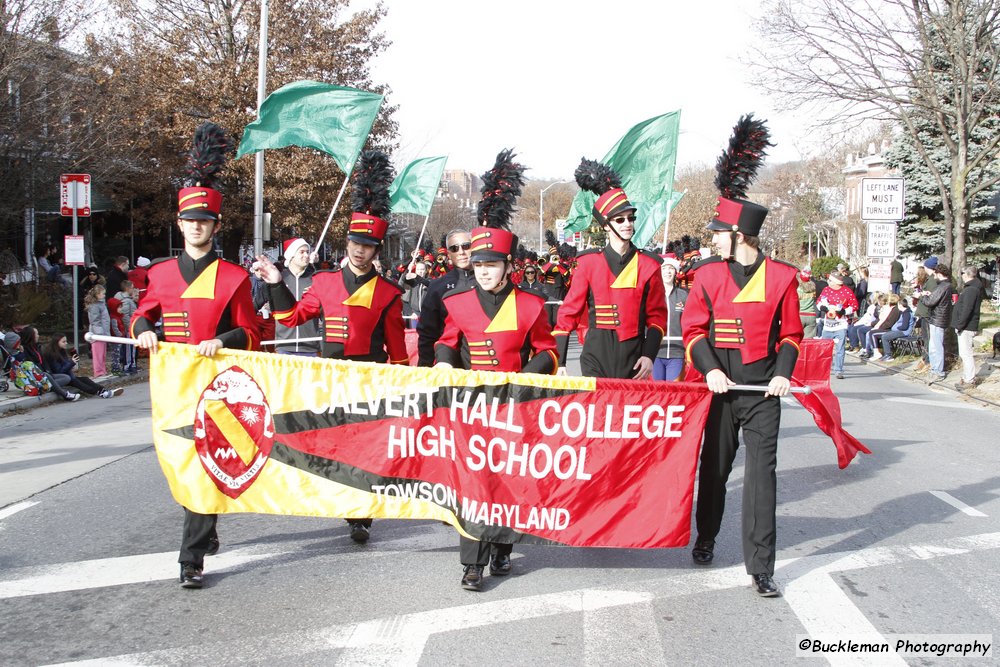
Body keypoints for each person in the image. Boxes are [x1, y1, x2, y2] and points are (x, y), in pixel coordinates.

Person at [132, 122, 261, 590]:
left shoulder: (234, 277)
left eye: (204, 221)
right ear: (180, 224)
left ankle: (191, 558)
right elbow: (142, 317)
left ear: (216, 226)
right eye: (189, 220)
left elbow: (253, 331)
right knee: (181, 463)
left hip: (219, 386)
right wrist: (145, 332)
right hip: (172, 385)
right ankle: (204, 529)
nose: (196, 227)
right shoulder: (162, 274)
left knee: (205, 463)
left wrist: (222, 341)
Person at [256, 150, 407, 546]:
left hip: (370, 378)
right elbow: (289, 318)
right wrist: (275, 280)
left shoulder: (390, 293)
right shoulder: (322, 283)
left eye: (369, 245)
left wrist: (404, 384)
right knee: (333, 444)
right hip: (330, 377)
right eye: (355, 242)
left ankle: (360, 516)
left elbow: (397, 348)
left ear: (378, 249)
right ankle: (337, 498)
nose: (360, 250)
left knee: (364, 449)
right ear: (347, 242)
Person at [682, 114, 801, 598]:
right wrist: (709, 371)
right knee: (714, 468)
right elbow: (692, 331)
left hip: (762, 390)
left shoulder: (783, 277)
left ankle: (761, 566)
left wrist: (782, 376)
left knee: (762, 480)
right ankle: (706, 535)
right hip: (720, 387)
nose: (711, 239)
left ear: (741, 235)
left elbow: (791, 335)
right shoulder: (707, 276)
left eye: (717, 233)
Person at [433, 149, 557, 592]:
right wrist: (448, 370)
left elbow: (548, 351)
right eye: (479, 265)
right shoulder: (457, 302)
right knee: (472, 483)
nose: (484, 272)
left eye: (492, 265)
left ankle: (503, 547)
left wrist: (524, 376)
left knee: (507, 480)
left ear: (508, 267)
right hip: (470, 405)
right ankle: (472, 563)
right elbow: (445, 344)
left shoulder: (530, 305)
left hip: (514, 405)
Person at [553, 158, 667, 379]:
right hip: (595, 354)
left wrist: (649, 356)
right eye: (620, 219)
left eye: (630, 218)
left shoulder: (649, 265)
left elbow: (657, 317)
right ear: (606, 225)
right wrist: (561, 361)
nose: (627, 223)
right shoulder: (587, 263)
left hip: (635, 359)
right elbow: (568, 314)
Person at [416, 229, 474, 366]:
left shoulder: (487, 281)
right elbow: (427, 332)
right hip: (447, 362)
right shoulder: (437, 286)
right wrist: (425, 367)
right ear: (448, 254)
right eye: (454, 248)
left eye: (466, 246)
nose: (461, 252)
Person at [270, 238, 321, 356]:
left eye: (307, 252)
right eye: (302, 252)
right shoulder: (278, 279)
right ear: (291, 255)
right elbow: (255, 303)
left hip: (311, 348)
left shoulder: (316, 279)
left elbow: (326, 312)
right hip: (283, 347)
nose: (306, 255)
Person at [8, 329, 80, 401]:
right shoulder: (21, 351)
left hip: (43, 374)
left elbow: (44, 361)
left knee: (66, 377)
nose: (38, 336)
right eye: (36, 334)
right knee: (48, 376)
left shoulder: (37, 347)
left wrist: (48, 371)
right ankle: (65, 394)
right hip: (33, 376)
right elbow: (28, 365)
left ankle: (48, 387)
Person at [42, 333, 123, 398]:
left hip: (69, 375)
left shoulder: (61, 351)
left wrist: (71, 365)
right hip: (62, 377)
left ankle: (103, 390)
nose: (66, 343)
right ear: (56, 343)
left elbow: (64, 365)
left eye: (66, 341)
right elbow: (59, 370)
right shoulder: (51, 354)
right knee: (79, 383)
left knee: (85, 379)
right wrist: (71, 362)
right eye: (63, 342)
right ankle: (99, 392)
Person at [818, 270, 858, 379]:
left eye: (830, 280)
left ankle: (838, 370)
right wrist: (822, 307)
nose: (828, 282)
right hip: (827, 325)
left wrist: (845, 311)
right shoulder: (826, 290)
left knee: (840, 349)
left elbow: (854, 305)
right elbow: (819, 301)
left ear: (836, 282)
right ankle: (822, 370)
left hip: (840, 325)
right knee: (824, 349)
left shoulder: (847, 292)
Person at [654, 256, 687, 381]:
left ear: (675, 272)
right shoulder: (652, 295)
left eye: (671, 269)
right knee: (656, 392)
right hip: (656, 353)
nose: (668, 272)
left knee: (673, 392)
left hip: (676, 353)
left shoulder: (683, 296)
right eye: (664, 268)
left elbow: (688, 323)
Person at [920, 263, 954, 382]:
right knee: (934, 345)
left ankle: (938, 371)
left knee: (936, 346)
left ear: (939, 274)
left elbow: (930, 302)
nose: (934, 277)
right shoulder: (946, 286)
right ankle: (935, 369)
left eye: (935, 274)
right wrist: (930, 294)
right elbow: (936, 298)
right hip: (939, 318)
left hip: (938, 319)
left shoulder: (943, 286)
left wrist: (923, 296)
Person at [952, 266, 983, 389]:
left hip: (967, 326)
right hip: (966, 325)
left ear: (967, 274)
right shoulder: (972, 288)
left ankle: (969, 379)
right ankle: (966, 377)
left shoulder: (971, 290)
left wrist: (960, 325)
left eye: (962, 273)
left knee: (966, 354)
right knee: (965, 353)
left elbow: (967, 309)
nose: (961, 275)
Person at [913, 257, 940, 372]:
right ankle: (925, 358)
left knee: (928, 338)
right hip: (924, 312)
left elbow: (933, 296)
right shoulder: (930, 279)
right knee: (924, 337)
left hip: (928, 313)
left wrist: (922, 295)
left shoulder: (933, 280)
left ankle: (928, 360)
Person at [85, 285, 110, 378]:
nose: (104, 295)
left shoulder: (101, 304)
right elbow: (95, 320)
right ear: (97, 294)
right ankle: (98, 371)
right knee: (98, 354)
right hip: (98, 333)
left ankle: (102, 370)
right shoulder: (94, 306)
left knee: (102, 353)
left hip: (102, 332)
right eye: (103, 294)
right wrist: (99, 332)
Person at [114, 280, 139, 373]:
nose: (133, 289)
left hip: (129, 327)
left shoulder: (127, 299)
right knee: (129, 347)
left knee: (130, 347)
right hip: (129, 328)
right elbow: (125, 315)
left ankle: (131, 364)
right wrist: (130, 327)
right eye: (132, 287)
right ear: (128, 289)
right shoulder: (126, 301)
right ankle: (128, 365)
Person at [797, 270, 817, 338]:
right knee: (808, 340)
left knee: (797, 338)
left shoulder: (797, 289)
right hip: (811, 315)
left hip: (800, 315)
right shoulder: (813, 288)